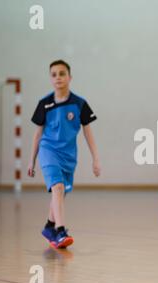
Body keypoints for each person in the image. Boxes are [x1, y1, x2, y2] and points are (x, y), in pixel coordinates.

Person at [28, 60, 101, 249]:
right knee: (58, 188)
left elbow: (88, 132)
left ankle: (49, 226)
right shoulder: (44, 104)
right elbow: (37, 134)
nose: (58, 77)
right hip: (48, 150)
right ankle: (60, 231)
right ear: (50, 79)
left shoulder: (79, 104)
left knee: (60, 194)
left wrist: (96, 159)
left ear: (70, 77)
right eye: (54, 74)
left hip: (68, 155)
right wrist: (32, 160)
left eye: (62, 73)